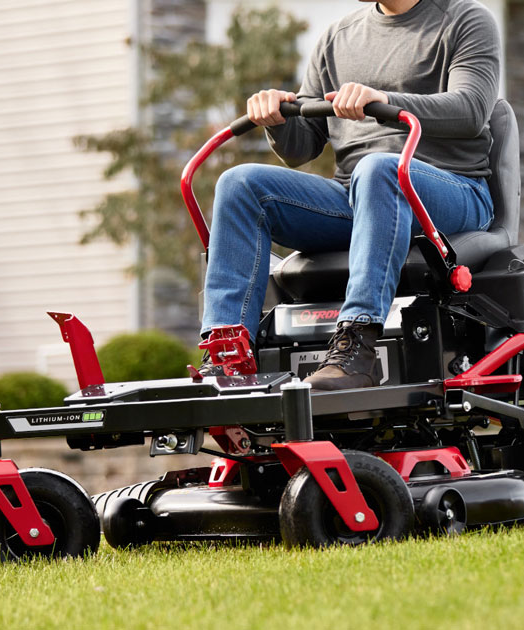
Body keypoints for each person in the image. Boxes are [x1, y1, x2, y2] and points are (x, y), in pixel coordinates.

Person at [200, 0, 502, 391]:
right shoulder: (336, 38)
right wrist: (275, 115)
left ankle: (357, 346)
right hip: (360, 196)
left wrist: (384, 101)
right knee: (239, 184)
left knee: (380, 167)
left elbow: (472, 109)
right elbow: (301, 148)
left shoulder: (465, 19)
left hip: (453, 191)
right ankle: (228, 355)